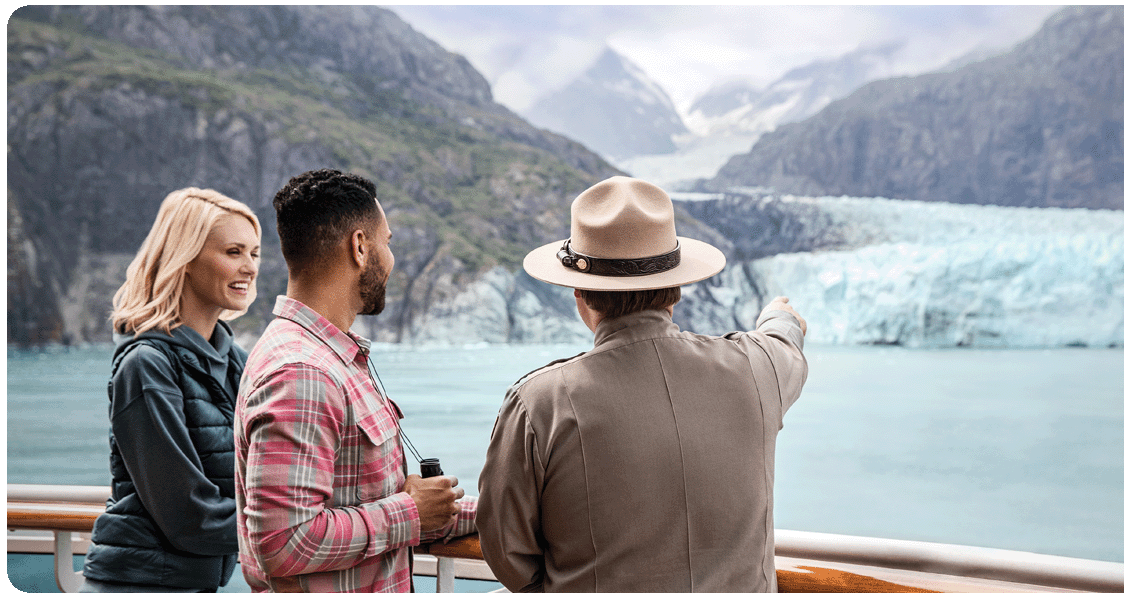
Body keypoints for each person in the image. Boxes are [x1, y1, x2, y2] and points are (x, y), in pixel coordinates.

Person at [477, 176, 809, 592]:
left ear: (580, 291)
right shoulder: (756, 368)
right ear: (678, 289)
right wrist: (780, 316)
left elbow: (507, 551)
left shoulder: (540, 403)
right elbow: (784, 343)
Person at [234, 168, 475, 593]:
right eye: (388, 241)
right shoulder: (303, 372)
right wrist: (411, 512)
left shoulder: (327, 357)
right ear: (360, 247)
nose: (391, 257)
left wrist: (509, 510)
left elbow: (366, 503)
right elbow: (282, 541)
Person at [80, 187, 262, 593]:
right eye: (233, 252)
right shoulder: (146, 365)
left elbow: (269, 474)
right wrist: (297, 524)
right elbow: (189, 518)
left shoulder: (237, 362)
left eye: (254, 253)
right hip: (137, 585)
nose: (250, 267)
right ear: (185, 259)